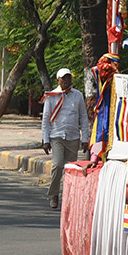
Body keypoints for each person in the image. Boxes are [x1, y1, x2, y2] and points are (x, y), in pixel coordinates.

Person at [40, 67, 91, 209]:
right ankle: (55, 194)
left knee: (71, 168)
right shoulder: (51, 96)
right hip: (57, 136)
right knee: (57, 165)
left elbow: (83, 117)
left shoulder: (78, 95)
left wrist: (85, 138)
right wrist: (46, 140)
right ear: (58, 80)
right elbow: (45, 120)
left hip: (73, 137)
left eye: (68, 78)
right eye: (63, 78)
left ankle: (69, 196)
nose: (66, 81)